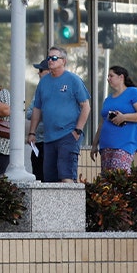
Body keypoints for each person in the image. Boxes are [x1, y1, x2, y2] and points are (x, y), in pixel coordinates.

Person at [27, 46, 90, 183]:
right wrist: (32, 133)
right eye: (49, 58)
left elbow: (86, 106)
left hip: (68, 134)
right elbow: (37, 109)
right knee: (49, 179)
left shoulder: (73, 80)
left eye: (54, 58)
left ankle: (70, 205)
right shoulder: (43, 82)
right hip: (48, 138)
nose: (50, 60)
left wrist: (78, 130)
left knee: (66, 176)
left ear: (64, 61)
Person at [91, 65, 137, 172]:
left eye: (111, 76)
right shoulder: (108, 99)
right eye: (108, 76)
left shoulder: (133, 92)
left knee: (119, 178)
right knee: (107, 182)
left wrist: (124, 117)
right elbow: (102, 123)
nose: (108, 79)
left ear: (121, 77)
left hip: (124, 144)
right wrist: (95, 144)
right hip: (106, 145)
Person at [28, 59, 51, 181]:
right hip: (37, 141)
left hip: (52, 142)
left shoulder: (58, 89)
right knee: (38, 176)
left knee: (51, 177)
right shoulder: (39, 89)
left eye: (41, 70)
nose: (39, 73)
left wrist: (42, 111)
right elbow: (29, 113)